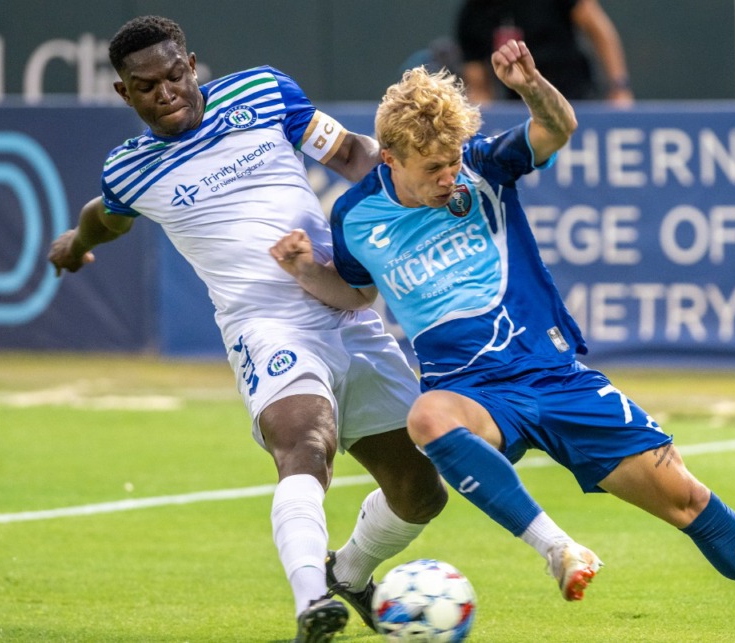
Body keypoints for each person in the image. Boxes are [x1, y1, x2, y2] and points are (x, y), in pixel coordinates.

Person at [270, 39, 735, 642]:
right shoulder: (356, 216)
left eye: (455, 159)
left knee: (687, 499)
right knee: (428, 416)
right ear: (390, 160)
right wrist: (306, 271)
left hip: (557, 377)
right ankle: (558, 548)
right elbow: (357, 294)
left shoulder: (486, 169)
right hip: (474, 392)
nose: (450, 176)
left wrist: (533, 88)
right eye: (434, 168)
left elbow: (557, 129)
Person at [47, 15, 448, 643]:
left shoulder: (262, 93)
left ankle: (347, 573)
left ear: (192, 63)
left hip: (344, 305)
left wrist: (419, 185)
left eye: (176, 74)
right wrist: (74, 244)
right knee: (305, 447)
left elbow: (350, 154)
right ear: (125, 93)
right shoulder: (130, 170)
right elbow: (106, 217)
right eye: (147, 86)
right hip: (266, 329)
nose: (168, 91)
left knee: (420, 491)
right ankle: (313, 602)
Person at [456, 0, 633, 105]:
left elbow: (597, 28)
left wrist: (620, 87)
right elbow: (478, 84)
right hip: (521, 108)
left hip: (576, 98)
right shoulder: (473, 13)